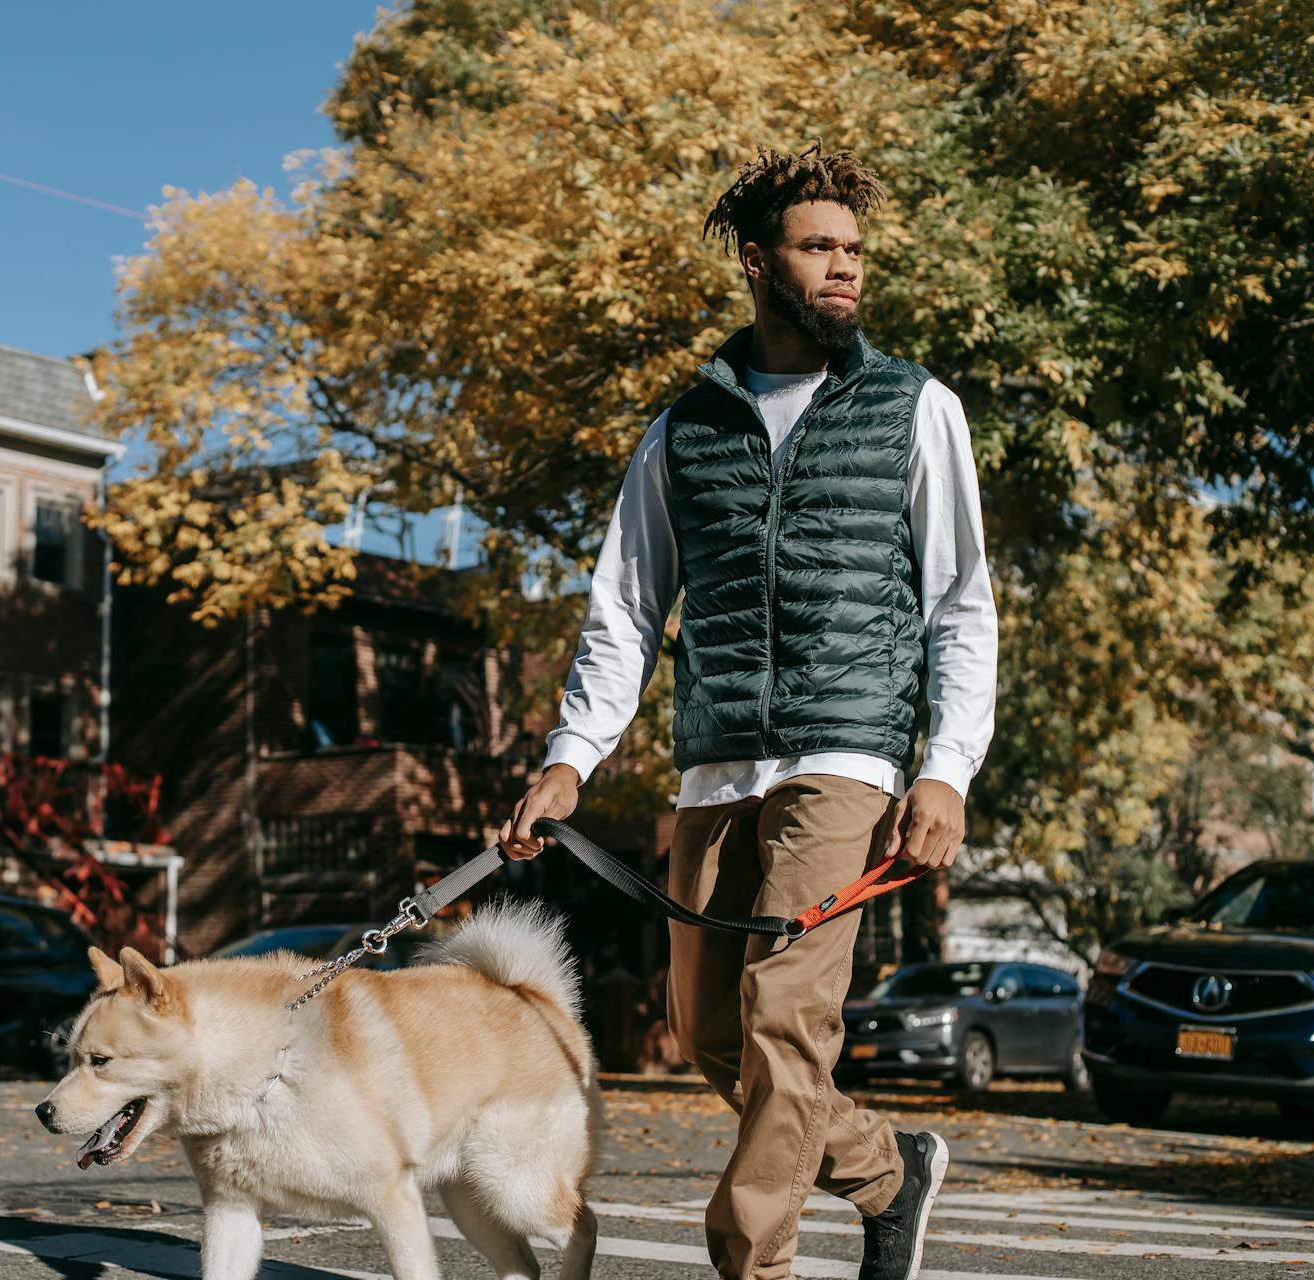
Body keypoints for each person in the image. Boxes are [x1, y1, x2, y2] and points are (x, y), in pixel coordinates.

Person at [499, 147, 998, 1280]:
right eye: (819, 249)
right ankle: (884, 1168)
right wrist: (570, 757)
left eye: (855, 252)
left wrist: (945, 769)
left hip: (848, 752)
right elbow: (624, 608)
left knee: (784, 1021)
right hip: (715, 764)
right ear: (756, 261)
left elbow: (961, 604)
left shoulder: (913, 408)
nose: (845, 272)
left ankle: (749, 1265)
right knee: (712, 1036)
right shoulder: (685, 430)